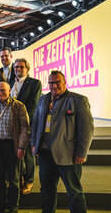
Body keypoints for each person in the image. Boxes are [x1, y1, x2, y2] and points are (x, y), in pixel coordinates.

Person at [31, 70, 93, 213]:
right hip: (46, 154)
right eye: (51, 83)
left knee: (74, 192)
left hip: (68, 156)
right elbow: (36, 123)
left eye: (57, 82)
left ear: (64, 82)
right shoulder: (43, 99)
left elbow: (87, 129)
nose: (54, 86)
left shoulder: (78, 100)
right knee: (46, 190)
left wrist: (81, 152)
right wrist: (34, 144)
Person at [0, 82, 30, 213]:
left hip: (13, 146)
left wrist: (21, 146)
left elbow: (25, 128)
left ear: (10, 90)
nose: (0, 93)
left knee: (14, 179)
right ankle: (0, 206)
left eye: (3, 91)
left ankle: (13, 207)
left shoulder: (19, 106)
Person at [10, 58, 42, 194]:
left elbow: (33, 105)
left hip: (27, 124)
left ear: (27, 69)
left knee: (28, 153)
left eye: (22, 67)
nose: (18, 69)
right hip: (11, 125)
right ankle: (20, 177)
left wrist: (20, 121)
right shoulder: (10, 83)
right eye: (16, 67)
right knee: (17, 152)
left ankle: (29, 180)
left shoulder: (35, 83)